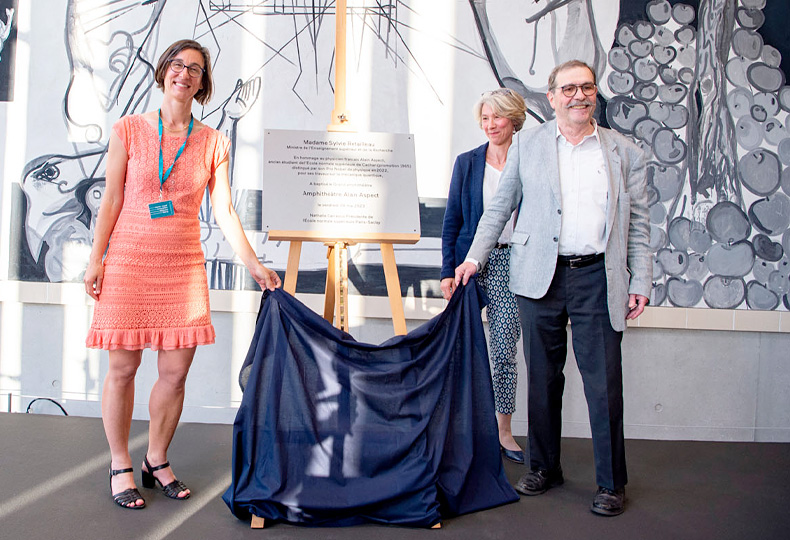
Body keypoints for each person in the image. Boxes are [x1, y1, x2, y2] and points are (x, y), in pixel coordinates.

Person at [83, 39, 281, 510]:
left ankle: (156, 458)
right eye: (178, 64)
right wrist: (96, 259)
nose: (185, 73)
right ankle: (119, 463)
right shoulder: (129, 130)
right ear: (163, 71)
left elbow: (226, 210)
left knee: (174, 374)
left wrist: (253, 263)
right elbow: (110, 199)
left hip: (182, 266)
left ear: (203, 82)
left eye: (195, 68)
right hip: (128, 262)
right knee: (123, 368)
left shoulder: (213, 141)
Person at [455, 60, 651, 516]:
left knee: (604, 384)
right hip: (538, 274)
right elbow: (499, 207)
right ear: (553, 95)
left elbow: (638, 224)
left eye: (586, 87)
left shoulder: (625, 152)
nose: (578, 95)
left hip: (597, 277)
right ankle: (545, 467)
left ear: (595, 94)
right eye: (569, 89)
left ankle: (610, 483)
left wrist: (640, 279)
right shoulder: (529, 143)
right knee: (543, 379)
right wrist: (473, 258)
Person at [441, 88, 527, 464]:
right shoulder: (467, 162)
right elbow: (452, 222)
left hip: (512, 262)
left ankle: (503, 431)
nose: (490, 125)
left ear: (514, 119)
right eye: (485, 118)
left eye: (498, 117)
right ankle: (458, 428)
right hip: (468, 265)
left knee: (504, 349)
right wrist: (447, 270)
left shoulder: (530, 160)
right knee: (460, 346)